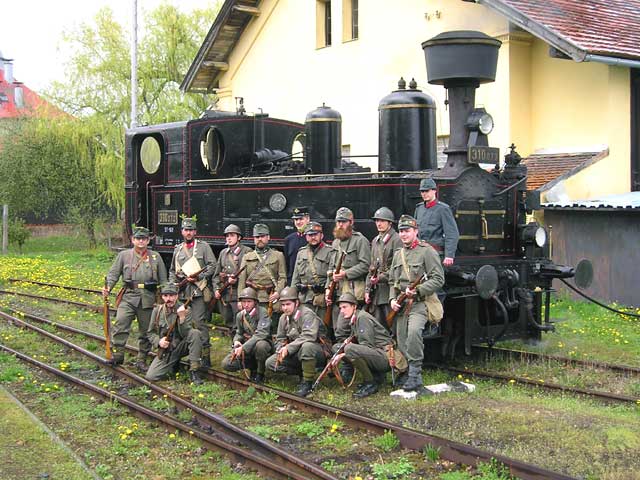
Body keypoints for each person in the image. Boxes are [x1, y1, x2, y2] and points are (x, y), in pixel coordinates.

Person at [389, 214, 445, 391]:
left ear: (416, 231)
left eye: (407, 231)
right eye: (401, 231)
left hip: (421, 302)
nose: (404, 235)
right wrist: (392, 299)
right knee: (401, 338)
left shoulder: (427, 251)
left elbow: (438, 279)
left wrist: (419, 290)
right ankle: (404, 372)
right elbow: (392, 281)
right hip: (402, 304)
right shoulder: (399, 254)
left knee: (413, 334)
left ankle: (415, 375)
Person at [103, 226, 167, 371]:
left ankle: (141, 359)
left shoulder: (155, 257)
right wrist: (108, 288)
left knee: (146, 330)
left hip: (148, 298)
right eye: (138, 238)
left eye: (144, 239)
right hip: (129, 297)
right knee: (121, 322)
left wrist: (167, 298)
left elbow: (163, 280)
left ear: (148, 240)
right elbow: (113, 274)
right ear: (133, 240)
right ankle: (118, 355)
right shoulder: (124, 256)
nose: (141, 241)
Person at [168, 216, 217, 368]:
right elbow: (172, 271)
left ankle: (205, 355)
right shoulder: (177, 249)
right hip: (182, 293)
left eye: (191, 230)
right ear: (182, 231)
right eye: (186, 230)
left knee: (199, 323)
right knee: (179, 323)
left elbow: (212, 265)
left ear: (195, 231)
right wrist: (174, 285)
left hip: (198, 291)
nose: (188, 233)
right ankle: (177, 354)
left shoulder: (203, 247)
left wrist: (199, 276)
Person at [265, 287, 329, 397]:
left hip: (317, 350)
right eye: (283, 305)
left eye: (288, 304)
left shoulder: (307, 314)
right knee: (270, 363)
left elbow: (309, 336)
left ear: (297, 303)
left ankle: (307, 383)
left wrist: (288, 348)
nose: (285, 308)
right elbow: (280, 338)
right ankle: (302, 372)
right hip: (297, 351)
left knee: (307, 346)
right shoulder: (283, 318)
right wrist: (280, 348)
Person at [325, 207, 371, 340]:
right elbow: (331, 268)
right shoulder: (335, 243)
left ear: (351, 222)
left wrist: (345, 273)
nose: (340, 224)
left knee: (348, 328)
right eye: (338, 221)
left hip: (353, 293)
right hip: (337, 293)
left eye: (344, 222)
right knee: (337, 330)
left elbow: (365, 265)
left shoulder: (360, 240)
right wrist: (328, 288)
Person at [336, 293, 394, 398]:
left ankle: (370, 382)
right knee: (338, 347)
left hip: (386, 357)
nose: (342, 311)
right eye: (340, 308)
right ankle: (376, 377)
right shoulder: (355, 318)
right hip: (379, 354)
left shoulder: (362, 318)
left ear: (354, 306)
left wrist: (345, 353)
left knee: (349, 349)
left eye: (345, 307)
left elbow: (367, 345)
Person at [145, 284, 204, 385]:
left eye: (172, 295)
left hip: (182, 345)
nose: (169, 299)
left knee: (195, 333)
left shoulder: (186, 310)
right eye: (166, 296)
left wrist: (181, 318)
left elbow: (186, 333)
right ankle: (173, 364)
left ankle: (194, 370)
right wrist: (159, 342)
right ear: (162, 297)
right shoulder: (157, 311)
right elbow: (150, 333)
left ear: (176, 296)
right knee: (151, 376)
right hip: (167, 350)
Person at [220, 287, 273, 384]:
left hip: (261, 344)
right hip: (247, 346)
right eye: (244, 302)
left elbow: (261, 334)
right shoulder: (240, 315)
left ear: (255, 302)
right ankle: (252, 366)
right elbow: (239, 333)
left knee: (261, 345)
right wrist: (236, 342)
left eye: (249, 301)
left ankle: (260, 372)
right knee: (226, 364)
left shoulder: (262, 312)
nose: (246, 304)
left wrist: (243, 348)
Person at [238, 224, 287, 322]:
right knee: (252, 323)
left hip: (270, 297)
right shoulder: (247, 257)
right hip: (252, 296)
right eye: (257, 237)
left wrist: (278, 292)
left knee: (271, 324)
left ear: (268, 237)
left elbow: (282, 277)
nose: (259, 239)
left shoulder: (278, 255)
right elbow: (242, 280)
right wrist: (240, 299)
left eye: (262, 236)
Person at [365, 207, 403, 329]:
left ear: (390, 223)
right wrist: (367, 290)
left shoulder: (397, 239)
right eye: (377, 221)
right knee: (379, 327)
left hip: (389, 290)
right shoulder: (376, 240)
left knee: (392, 325)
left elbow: (397, 267)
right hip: (377, 292)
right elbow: (371, 268)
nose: (379, 224)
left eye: (382, 221)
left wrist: (380, 278)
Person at [291, 222, 335, 321]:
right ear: (306, 237)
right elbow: (295, 277)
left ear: (321, 235)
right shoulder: (301, 252)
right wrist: (293, 297)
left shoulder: (330, 252)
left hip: (321, 297)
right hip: (304, 297)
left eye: (315, 234)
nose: (313, 237)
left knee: (322, 328)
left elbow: (331, 275)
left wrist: (328, 292)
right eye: (310, 235)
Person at [212, 224, 252, 331]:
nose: (229, 238)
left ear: (239, 237)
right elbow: (216, 274)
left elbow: (250, 274)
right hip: (225, 293)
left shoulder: (246, 252)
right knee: (228, 320)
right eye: (227, 236)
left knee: (239, 321)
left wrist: (236, 280)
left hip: (238, 293)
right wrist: (216, 288)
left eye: (232, 235)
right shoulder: (223, 253)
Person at [413, 178, 459, 266]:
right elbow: (415, 231)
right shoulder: (419, 208)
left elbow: (452, 233)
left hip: (436, 254)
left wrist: (449, 255)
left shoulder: (443, 209)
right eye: (422, 191)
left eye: (427, 191)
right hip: (420, 252)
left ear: (434, 191)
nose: (424, 194)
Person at [284, 207, 310, 285]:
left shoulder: (314, 239)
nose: (298, 222)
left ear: (308, 219)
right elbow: (287, 263)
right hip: (293, 281)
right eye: (296, 220)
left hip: (308, 281)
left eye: (301, 219)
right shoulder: (289, 240)